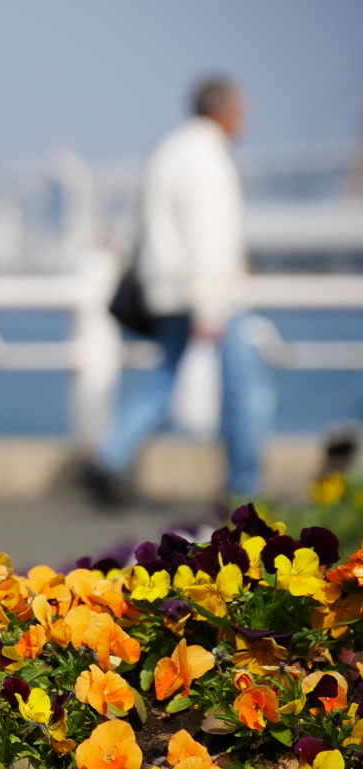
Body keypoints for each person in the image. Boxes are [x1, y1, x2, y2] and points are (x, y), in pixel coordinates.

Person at [85, 76, 275, 505]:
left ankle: (112, 456)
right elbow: (209, 236)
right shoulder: (209, 158)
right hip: (210, 293)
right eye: (241, 110)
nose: (243, 119)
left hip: (166, 288)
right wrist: (211, 307)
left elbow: (141, 223)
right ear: (223, 112)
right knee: (247, 389)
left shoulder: (167, 149)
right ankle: (245, 488)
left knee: (165, 379)